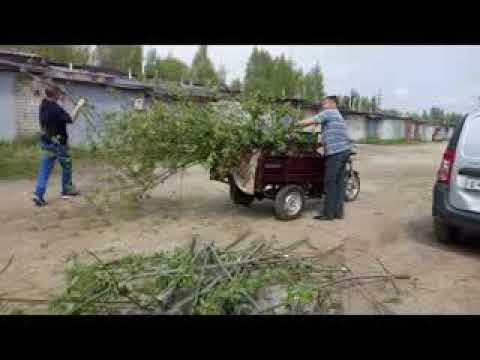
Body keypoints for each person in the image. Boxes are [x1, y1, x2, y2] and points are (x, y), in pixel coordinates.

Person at [297, 96, 351, 221]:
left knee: (330, 182)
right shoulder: (338, 116)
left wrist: (294, 124)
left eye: (324, 103)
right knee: (338, 183)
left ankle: (328, 214)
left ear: (332, 103)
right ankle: (338, 213)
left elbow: (312, 121)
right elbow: (334, 135)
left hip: (335, 153)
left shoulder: (329, 113)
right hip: (343, 151)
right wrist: (321, 144)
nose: (322, 105)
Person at [32, 82, 86, 207]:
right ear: (56, 95)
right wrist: (79, 105)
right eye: (59, 94)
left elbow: (57, 109)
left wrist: (60, 98)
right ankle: (66, 190)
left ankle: (38, 194)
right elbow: (71, 119)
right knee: (66, 166)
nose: (61, 95)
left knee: (44, 169)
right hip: (59, 144)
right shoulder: (56, 109)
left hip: (46, 142)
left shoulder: (43, 105)